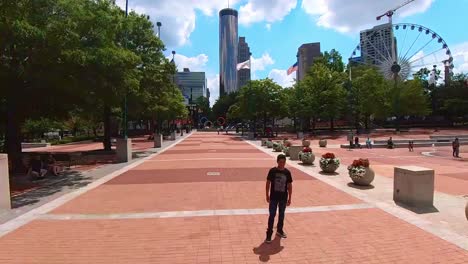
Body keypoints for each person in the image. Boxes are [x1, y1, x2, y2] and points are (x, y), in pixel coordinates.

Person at [265, 154, 293, 244]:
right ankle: (269, 234)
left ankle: (279, 230)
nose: (282, 164)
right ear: (277, 162)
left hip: (283, 198)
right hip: (273, 197)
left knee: (281, 215)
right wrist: (267, 195)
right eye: (280, 162)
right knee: (272, 216)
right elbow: (268, 183)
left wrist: (290, 198)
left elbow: (289, 186)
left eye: (284, 162)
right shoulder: (272, 171)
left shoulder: (287, 172)